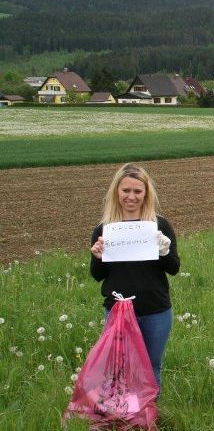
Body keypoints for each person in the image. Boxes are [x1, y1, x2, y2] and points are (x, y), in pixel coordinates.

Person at [89, 163, 180, 390]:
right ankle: (120, 416)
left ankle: (148, 417)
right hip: (117, 310)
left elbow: (174, 268)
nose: (131, 196)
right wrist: (98, 257)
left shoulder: (159, 226)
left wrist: (165, 252)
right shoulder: (105, 229)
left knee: (151, 366)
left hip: (155, 310)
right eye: (126, 190)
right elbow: (96, 275)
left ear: (146, 193)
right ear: (116, 192)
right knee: (118, 368)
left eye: (138, 191)